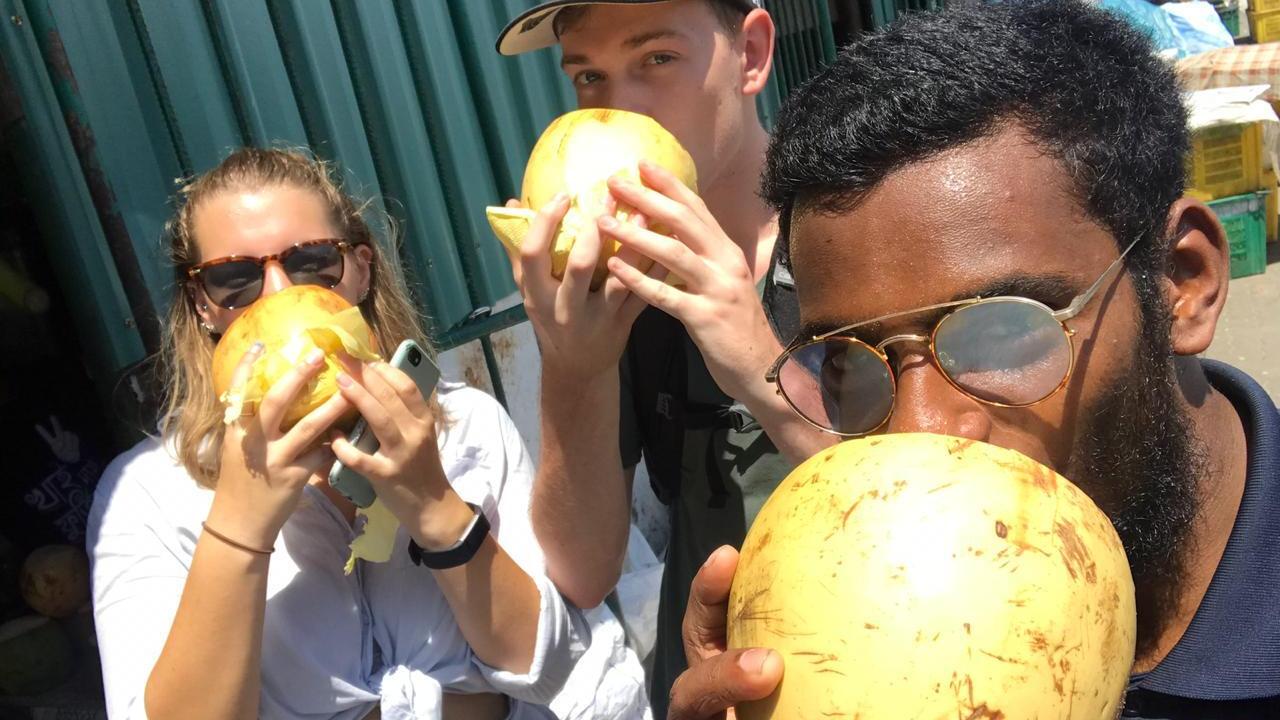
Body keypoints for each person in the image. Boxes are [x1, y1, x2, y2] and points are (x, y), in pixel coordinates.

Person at [666, 1, 1280, 718]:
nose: (919, 432)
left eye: (1000, 332)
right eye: (850, 363)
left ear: (1184, 282)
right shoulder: (858, 623)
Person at [87, 148, 584, 720]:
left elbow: (545, 671)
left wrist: (434, 505)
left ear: (361, 270)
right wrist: (238, 527)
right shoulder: (147, 495)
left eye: (311, 263)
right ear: (205, 305)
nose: (279, 295)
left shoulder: (467, 424)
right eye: (234, 278)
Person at [495, 1, 832, 712]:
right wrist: (573, 365)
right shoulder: (618, 284)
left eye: (656, 60)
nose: (619, 108)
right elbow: (583, 571)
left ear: (751, 53)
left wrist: (762, 368)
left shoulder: (862, 238)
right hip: (706, 687)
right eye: (589, 75)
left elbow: (955, 511)